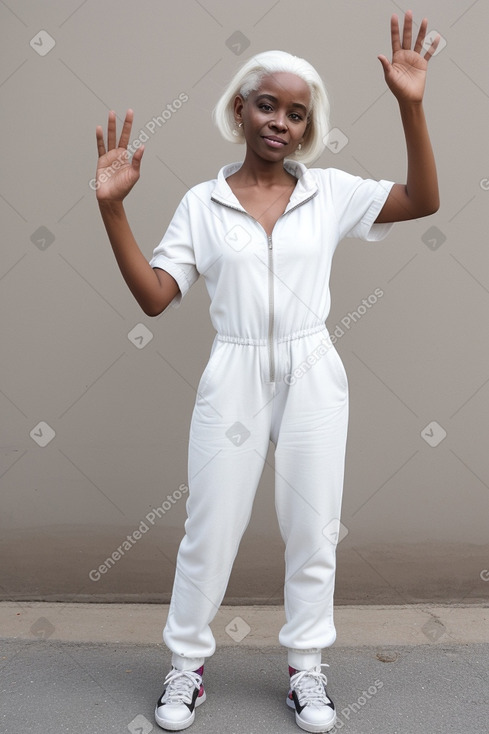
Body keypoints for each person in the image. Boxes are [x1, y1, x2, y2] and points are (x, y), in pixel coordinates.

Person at [95, 10, 439, 733]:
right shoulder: (202, 202)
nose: (278, 120)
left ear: (305, 128)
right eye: (265, 104)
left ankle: (306, 672)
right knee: (208, 528)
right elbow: (156, 299)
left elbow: (422, 201)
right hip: (235, 367)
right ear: (239, 110)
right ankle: (186, 668)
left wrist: (410, 105)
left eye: (295, 112)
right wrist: (114, 213)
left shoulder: (331, 192)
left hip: (314, 367)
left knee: (313, 528)